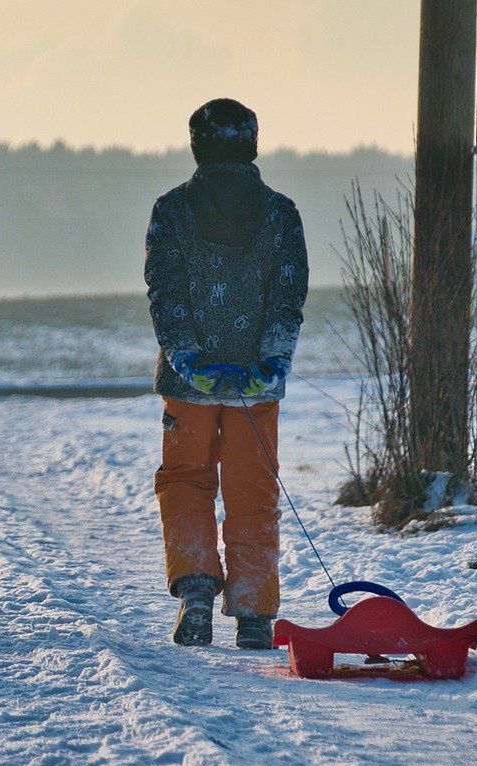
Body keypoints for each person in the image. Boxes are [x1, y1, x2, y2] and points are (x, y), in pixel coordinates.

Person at [144, 98, 309, 649]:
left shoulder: (170, 211)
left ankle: (195, 591)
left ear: (196, 145)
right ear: (253, 144)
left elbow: (164, 294)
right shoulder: (282, 213)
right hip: (256, 386)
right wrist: (272, 360)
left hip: (189, 385)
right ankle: (255, 613)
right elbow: (289, 297)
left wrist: (187, 356)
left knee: (186, 480)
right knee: (252, 491)